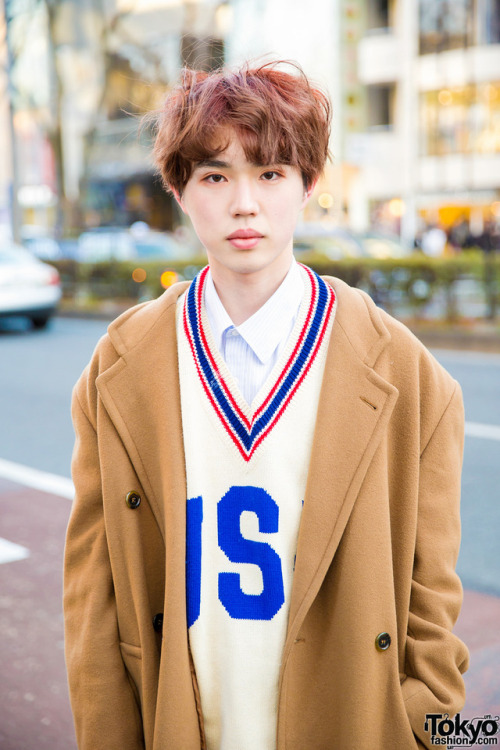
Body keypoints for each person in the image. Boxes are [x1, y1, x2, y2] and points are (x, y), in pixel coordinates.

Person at [63, 61, 469, 750]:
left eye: (271, 173)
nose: (244, 203)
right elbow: (94, 599)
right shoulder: (120, 367)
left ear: (309, 184)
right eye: (215, 176)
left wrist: (431, 728)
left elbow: (431, 604)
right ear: (179, 190)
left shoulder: (407, 374)